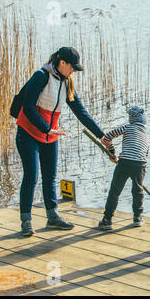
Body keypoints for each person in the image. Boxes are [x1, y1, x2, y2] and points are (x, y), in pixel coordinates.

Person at [16, 46, 108, 236]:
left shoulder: (67, 82)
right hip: (28, 133)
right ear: (62, 63)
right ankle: (26, 221)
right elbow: (27, 107)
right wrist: (47, 128)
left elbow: (81, 112)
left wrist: (101, 135)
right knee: (31, 176)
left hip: (51, 135)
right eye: (72, 67)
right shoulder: (41, 76)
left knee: (50, 176)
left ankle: (53, 217)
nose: (73, 70)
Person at [98, 106, 149, 230]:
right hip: (140, 164)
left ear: (131, 119)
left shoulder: (127, 127)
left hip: (125, 162)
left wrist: (112, 151)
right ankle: (137, 217)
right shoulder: (146, 134)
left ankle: (107, 219)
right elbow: (145, 153)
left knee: (115, 191)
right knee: (138, 191)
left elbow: (107, 137)